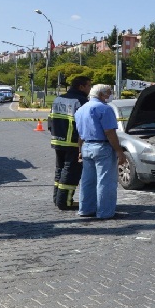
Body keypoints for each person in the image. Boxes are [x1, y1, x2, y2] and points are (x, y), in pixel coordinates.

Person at [74, 84, 126, 219]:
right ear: (102, 94)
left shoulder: (80, 110)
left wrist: (80, 149)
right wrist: (119, 151)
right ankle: (105, 212)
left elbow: (80, 134)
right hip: (102, 147)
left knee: (87, 181)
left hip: (87, 147)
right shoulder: (104, 109)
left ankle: (86, 209)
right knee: (106, 181)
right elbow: (110, 132)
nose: (110, 95)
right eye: (108, 93)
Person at [49, 75, 92, 210]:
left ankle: (57, 198)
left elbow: (50, 120)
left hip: (57, 140)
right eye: (88, 86)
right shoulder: (81, 100)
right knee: (71, 172)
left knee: (60, 169)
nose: (90, 89)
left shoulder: (58, 99)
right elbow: (85, 123)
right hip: (72, 142)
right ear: (81, 87)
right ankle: (65, 201)